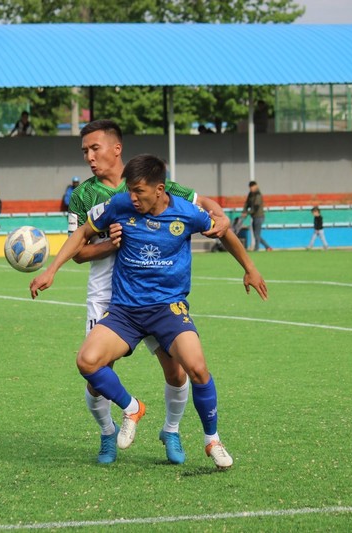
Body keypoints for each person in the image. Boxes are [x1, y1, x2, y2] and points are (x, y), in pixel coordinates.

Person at [31, 154, 268, 469]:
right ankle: (132, 408)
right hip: (125, 310)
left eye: (139, 191)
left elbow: (224, 232)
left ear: (159, 189)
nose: (132, 197)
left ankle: (212, 440)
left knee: (196, 369)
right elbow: (82, 234)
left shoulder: (188, 214)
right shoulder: (120, 205)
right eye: (130, 189)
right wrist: (51, 270)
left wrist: (250, 268)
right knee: (87, 361)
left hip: (168, 309)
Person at [66, 119, 231, 465]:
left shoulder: (151, 180)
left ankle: (171, 430)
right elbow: (78, 251)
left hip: (157, 292)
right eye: (84, 151)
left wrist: (223, 219)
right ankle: (108, 432)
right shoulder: (82, 196)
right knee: (96, 375)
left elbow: (205, 204)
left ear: (116, 148)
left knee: (177, 371)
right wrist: (109, 245)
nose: (89, 157)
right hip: (107, 293)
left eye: (94, 148)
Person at [241, 181, 273, 251]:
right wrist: (244, 211)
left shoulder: (258, 195)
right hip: (254, 216)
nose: (251, 189)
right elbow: (247, 204)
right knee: (256, 235)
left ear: (256, 186)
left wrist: (247, 213)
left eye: (252, 187)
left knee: (256, 234)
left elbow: (256, 207)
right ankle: (267, 247)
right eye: (250, 187)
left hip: (259, 217)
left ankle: (257, 248)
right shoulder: (250, 194)